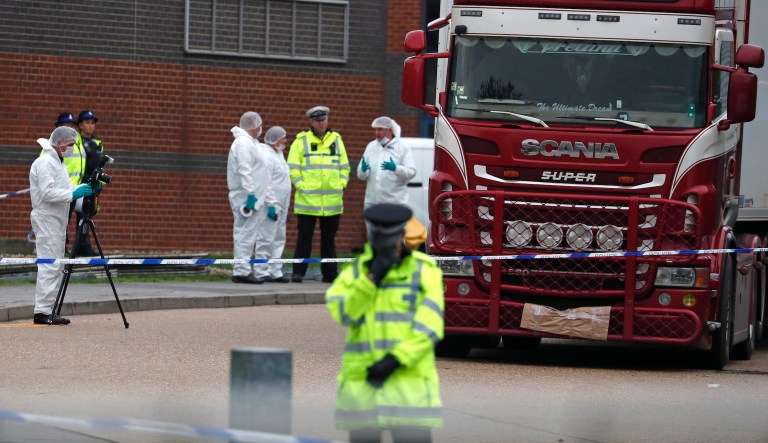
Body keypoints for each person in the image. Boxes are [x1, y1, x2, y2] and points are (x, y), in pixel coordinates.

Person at [325, 203, 444, 443]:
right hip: (364, 391)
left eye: (389, 242)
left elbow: (429, 326)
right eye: (379, 242)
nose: (385, 248)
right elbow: (343, 313)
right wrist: (370, 281)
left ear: (402, 236)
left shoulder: (424, 271)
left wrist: (395, 359)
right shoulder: (356, 272)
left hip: (408, 391)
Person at [30, 126, 94, 325]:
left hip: (56, 221)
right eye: (70, 144)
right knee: (49, 265)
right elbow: (47, 193)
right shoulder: (45, 163)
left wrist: (83, 188)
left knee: (55, 265)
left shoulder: (58, 162)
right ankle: (42, 312)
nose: (72, 148)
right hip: (47, 219)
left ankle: (48, 310)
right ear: (59, 143)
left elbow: (63, 188)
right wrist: (73, 194)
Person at [287, 105, 350, 283]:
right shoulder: (301, 141)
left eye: (324, 120)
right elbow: (292, 167)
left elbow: (344, 167)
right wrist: (301, 186)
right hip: (308, 200)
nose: (321, 123)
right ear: (311, 122)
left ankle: (330, 274)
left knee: (329, 240)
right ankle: (298, 272)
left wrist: (342, 184)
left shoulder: (336, 140)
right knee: (304, 238)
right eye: (317, 120)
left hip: (332, 201)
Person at [227, 111, 267, 284]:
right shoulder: (243, 143)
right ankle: (241, 271)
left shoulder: (250, 143)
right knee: (244, 233)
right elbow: (244, 169)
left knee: (248, 233)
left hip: (251, 196)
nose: (261, 128)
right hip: (245, 197)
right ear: (254, 126)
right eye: (259, 125)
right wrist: (251, 194)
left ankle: (243, 269)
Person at [252, 126, 291, 283]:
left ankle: (275, 270)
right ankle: (261, 270)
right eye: (283, 138)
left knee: (279, 238)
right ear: (275, 140)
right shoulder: (267, 156)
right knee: (266, 238)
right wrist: (271, 204)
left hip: (282, 203)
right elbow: (265, 183)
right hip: (271, 204)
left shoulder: (279, 155)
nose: (286, 141)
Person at [357, 116, 416, 210]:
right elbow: (361, 176)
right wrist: (363, 171)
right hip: (372, 204)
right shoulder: (371, 146)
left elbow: (411, 172)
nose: (377, 133)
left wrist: (396, 168)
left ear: (390, 130)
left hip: (394, 204)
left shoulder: (402, 147)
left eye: (380, 129)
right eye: (375, 129)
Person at [69, 110, 106, 256]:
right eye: (87, 123)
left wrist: (99, 183)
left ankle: (83, 246)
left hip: (91, 184)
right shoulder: (75, 139)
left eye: (92, 123)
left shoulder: (97, 142)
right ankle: (63, 246)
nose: (90, 126)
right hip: (76, 183)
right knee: (65, 215)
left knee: (86, 215)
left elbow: (100, 164)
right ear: (80, 125)